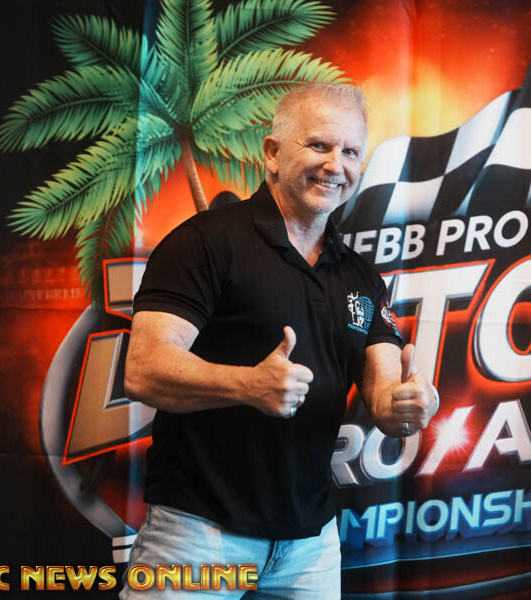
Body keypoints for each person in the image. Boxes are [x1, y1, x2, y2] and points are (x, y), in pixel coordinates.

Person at [121, 83, 438, 598]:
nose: (335, 165)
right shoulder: (204, 242)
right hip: (197, 533)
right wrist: (248, 385)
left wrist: (412, 404)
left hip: (311, 545)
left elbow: (386, 398)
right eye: (319, 145)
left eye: (350, 152)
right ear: (272, 153)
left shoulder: (360, 276)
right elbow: (144, 369)